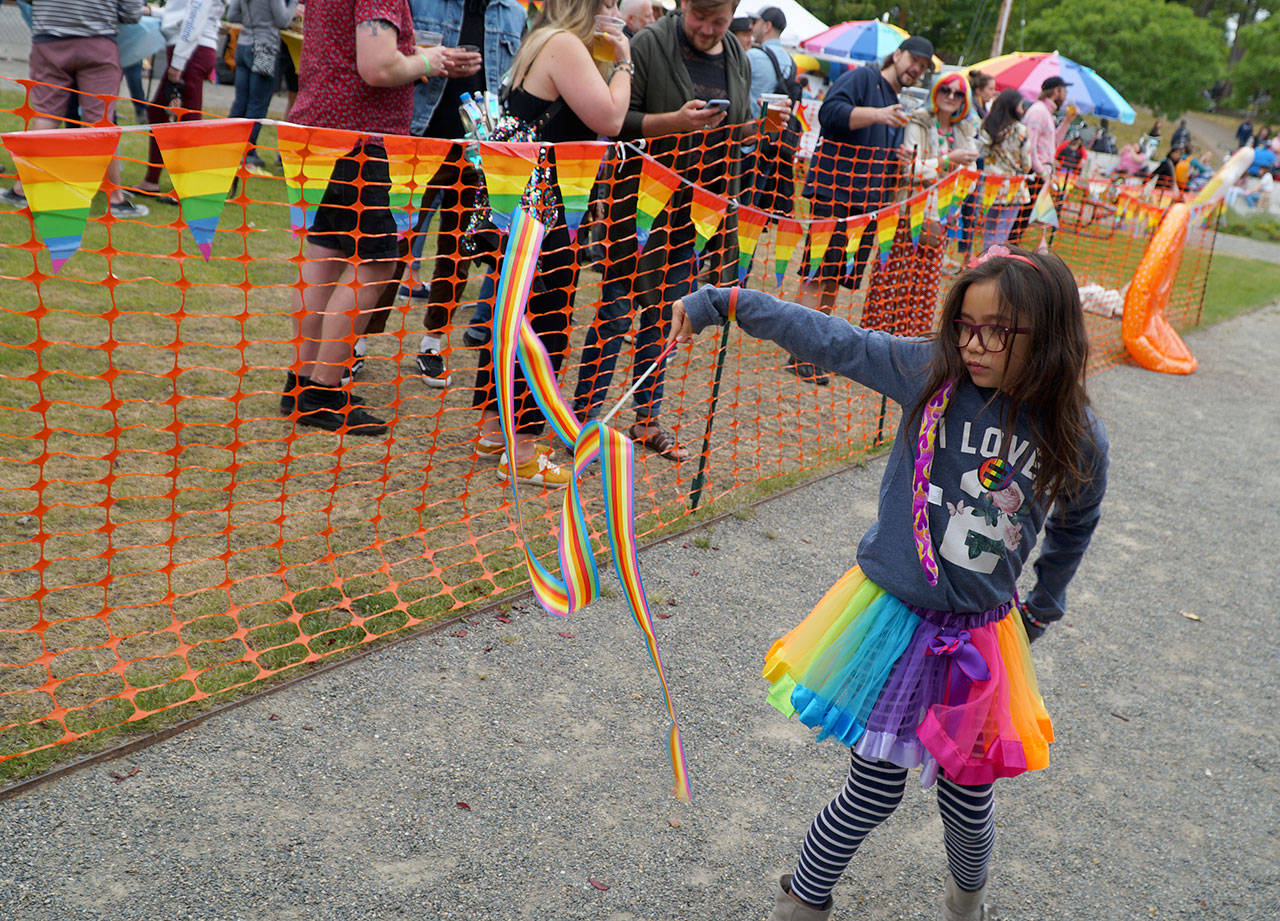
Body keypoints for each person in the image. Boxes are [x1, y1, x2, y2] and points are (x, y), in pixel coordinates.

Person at [667, 244, 1108, 921]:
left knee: (968, 802)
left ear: (1046, 336)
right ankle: (802, 902)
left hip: (979, 642)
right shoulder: (930, 373)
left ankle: (966, 902)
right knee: (871, 791)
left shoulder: (1074, 431)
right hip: (893, 625)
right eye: (964, 326)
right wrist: (725, 302)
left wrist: (1044, 604)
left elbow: (1077, 523)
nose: (974, 345)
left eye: (996, 331)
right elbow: (834, 340)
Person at [571, 0, 750, 462]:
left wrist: (758, 130)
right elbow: (617, 123)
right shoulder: (649, 44)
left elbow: (736, 129)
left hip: (696, 214)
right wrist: (675, 123)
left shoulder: (736, 55)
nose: (708, 30)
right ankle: (584, 421)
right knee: (615, 314)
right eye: (700, 18)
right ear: (683, 4)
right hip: (640, 208)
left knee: (667, 317)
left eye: (719, 22)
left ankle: (646, 418)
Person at [469, 0, 634, 486]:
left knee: (515, 314)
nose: (615, 12)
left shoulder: (545, 39)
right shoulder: (565, 45)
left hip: (523, 196)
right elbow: (611, 118)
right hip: (543, 201)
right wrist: (625, 61)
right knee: (546, 320)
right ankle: (521, 451)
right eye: (609, 2)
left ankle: (496, 432)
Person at [281, 0, 455, 435]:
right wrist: (428, 62)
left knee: (325, 258)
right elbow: (377, 67)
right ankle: (322, 392)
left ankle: (302, 384)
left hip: (322, 131)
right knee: (375, 263)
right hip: (362, 141)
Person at [793, 34, 933, 383]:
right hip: (836, 193)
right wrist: (877, 115)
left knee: (836, 277)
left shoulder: (895, 103)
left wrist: (899, 158)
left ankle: (816, 348)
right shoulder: (863, 78)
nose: (916, 69)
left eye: (923, 67)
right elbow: (829, 114)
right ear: (897, 55)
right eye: (913, 60)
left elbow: (879, 153)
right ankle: (800, 350)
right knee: (817, 271)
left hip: (867, 204)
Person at [403, 0, 524, 389]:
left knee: (457, 253)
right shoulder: (422, 2)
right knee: (392, 244)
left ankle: (432, 344)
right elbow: (392, 59)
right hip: (417, 139)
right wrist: (430, 62)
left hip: (477, 152)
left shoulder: (514, 14)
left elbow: (512, 87)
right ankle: (358, 342)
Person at [0, 0, 150, 217]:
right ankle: (115, 199)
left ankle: (22, 189)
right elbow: (132, 12)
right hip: (98, 42)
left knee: (46, 116)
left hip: (49, 40)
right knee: (100, 123)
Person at [135, 0, 227, 200]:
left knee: (188, 121)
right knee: (158, 112)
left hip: (192, 51)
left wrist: (178, 62)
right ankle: (152, 181)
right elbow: (183, 12)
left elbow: (194, 17)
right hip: (191, 49)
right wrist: (153, 11)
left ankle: (185, 186)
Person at [900, 71, 978, 292]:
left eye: (958, 93)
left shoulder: (964, 131)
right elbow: (911, 169)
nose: (951, 97)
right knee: (898, 283)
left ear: (964, 100)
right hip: (911, 216)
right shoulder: (919, 122)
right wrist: (948, 161)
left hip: (942, 218)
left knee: (925, 287)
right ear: (935, 91)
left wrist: (934, 172)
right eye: (946, 90)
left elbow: (971, 180)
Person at [226, 0, 300, 176]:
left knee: (240, 103)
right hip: (264, 47)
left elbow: (232, 15)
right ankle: (247, 156)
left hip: (243, 44)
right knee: (257, 105)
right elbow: (283, 20)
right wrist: (293, 4)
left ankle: (230, 150)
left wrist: (253, 18)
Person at [977, 88, 1031, 249]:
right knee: (1002, 232)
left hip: (990, 183)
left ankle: (986, 257)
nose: (1022, 109)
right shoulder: (1020, 130)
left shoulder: (986, 125)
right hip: (1013, 186)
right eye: (1021, 105)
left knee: (989, 230)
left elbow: (981, 152)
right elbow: (1026, 162)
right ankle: (994, 260)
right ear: (1014, 106)